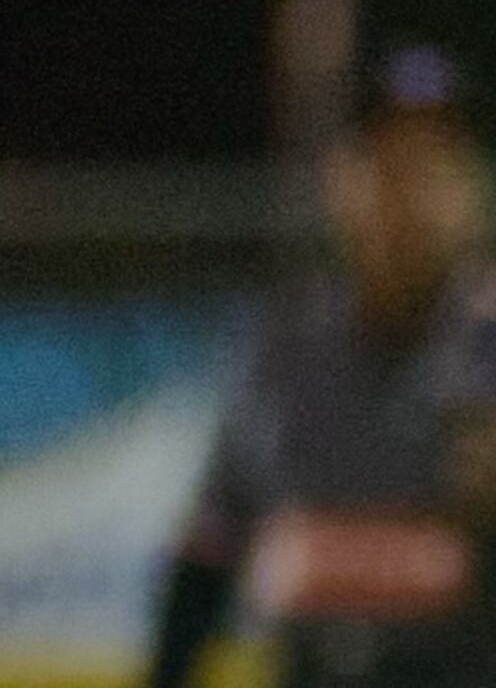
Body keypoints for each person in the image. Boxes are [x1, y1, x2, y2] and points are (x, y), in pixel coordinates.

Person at [146, 45, 496, 687]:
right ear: (342, 183)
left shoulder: (487, 339)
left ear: (472, 193)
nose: (411, 197)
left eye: (435, 170)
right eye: (389, 167)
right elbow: (210, 547)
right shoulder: (282, 350)